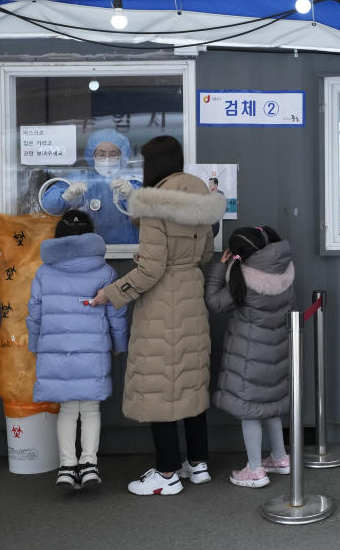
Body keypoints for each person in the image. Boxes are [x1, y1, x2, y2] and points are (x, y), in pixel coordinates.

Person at [88, 135, 226, 496]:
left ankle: (166, 473)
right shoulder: (202, 200)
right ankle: (198, 464)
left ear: (155, 165)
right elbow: (205, 256)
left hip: (163, 302)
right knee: (190, 382)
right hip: (191, 297)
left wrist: (111, 293)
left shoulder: (153, 203)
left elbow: (150, 270)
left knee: (159, 384)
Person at [26, 210, 128, 490]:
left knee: (68, 409)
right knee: (91, 408)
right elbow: (116, 313)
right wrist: (119, 345)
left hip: (56, 352)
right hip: (93, 350)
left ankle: (67, 466)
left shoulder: (44, 272)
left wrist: (36, 344)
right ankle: (89, 464)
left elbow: (34, 313)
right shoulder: (105, 271)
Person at [205, 226, 295, 488]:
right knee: (270, 405)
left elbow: (215, 302)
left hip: (248, 353)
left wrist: (220, 268)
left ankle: (255, 470)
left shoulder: (242, 275)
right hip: (277, 350)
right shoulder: (286, 269)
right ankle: (280, 458)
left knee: (250, 411)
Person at [41, 129, 140, 244]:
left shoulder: (131, 179)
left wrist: (132, 195)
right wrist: (66, 196)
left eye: (113, 154)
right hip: (85, 249)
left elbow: (149, 210)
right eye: (101, 154)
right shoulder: (80, 177)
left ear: (121, 155)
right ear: (92, 155)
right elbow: (49, 206)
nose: (107, 158)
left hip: (125, 249)